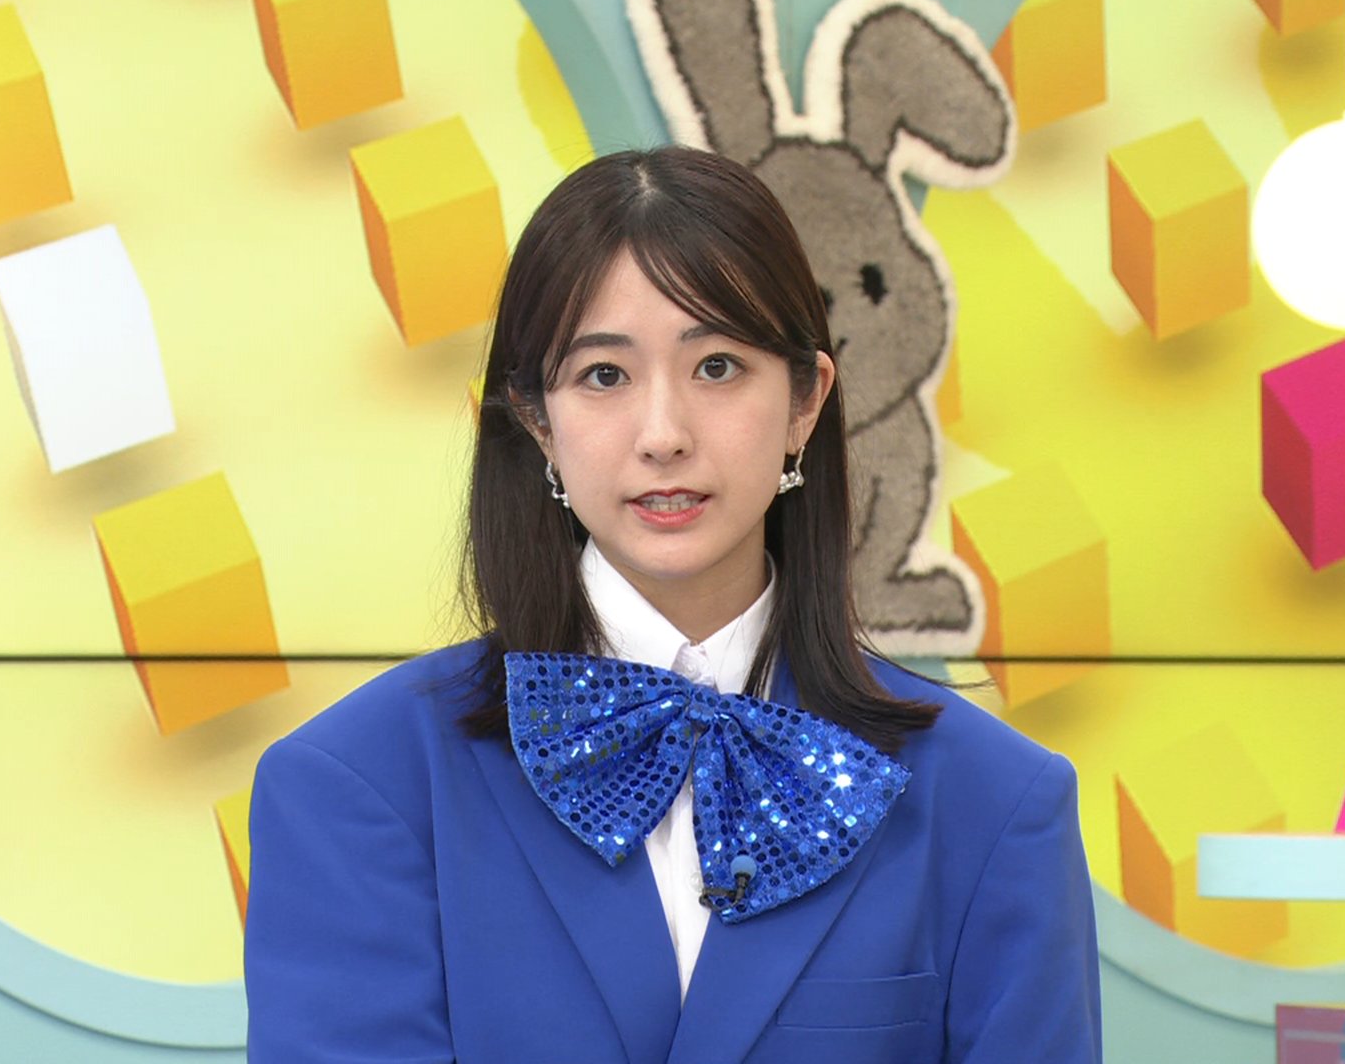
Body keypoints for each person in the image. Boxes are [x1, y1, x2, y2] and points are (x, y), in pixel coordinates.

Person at [244, 146, 1101, 1063]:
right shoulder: (358, 785)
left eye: (718, 366)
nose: (663, 436)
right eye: (603, 376)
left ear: (805, 402)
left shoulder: (994, 800)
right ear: (537, 420)